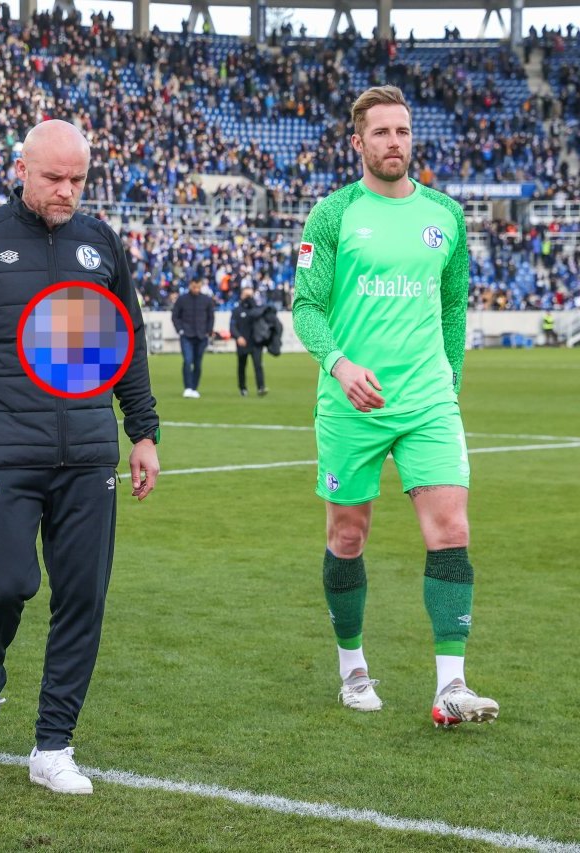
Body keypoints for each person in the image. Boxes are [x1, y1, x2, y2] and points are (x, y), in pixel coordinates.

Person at [0, 120, 160, 794]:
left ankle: (53, 744)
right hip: (3, 451)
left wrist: (143, 431)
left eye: (78, 179)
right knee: (11, 583)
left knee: (82, 595)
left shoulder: (100, 243)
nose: (67, 191)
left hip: (86, 452)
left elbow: (128, 338)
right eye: (54, 177)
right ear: (20, 168)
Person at [292, 86, 498, 728]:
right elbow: (306, 309)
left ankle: (451, 687)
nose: (395, 143)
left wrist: (452, 379)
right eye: (381, 133)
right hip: (351, 403)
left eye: (403, 132)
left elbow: (454, 306)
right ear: (358, 143)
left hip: (428, 401)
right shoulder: (333, 215)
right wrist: (342, 365)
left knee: (452, 533)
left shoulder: (446, 215)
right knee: (347, 535)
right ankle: (352, 669)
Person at [171, 279, 215, 398]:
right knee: (187, 361)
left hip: (201, 336)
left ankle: (194, 388)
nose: (196, 289)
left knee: (198, 363)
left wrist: (208, 331)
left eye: (198, 287)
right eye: (194, 287)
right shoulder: (182, 299)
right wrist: (180, 329)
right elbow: (175, 316)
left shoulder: (206, 300)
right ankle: (188, 387)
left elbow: (211, 317)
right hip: (186, 335)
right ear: (190, 285)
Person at [229, 287, 267, 396]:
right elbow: (232, 327)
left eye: (250, 295)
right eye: (246, 295)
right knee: (242, 366)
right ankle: (242, 388)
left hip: (256, 342)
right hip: (242, 342)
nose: (248, 298)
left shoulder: (258, 310)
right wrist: (238, 337)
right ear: (241, 296)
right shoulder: (237, 311)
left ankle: (261, 387)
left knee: (258, 365)